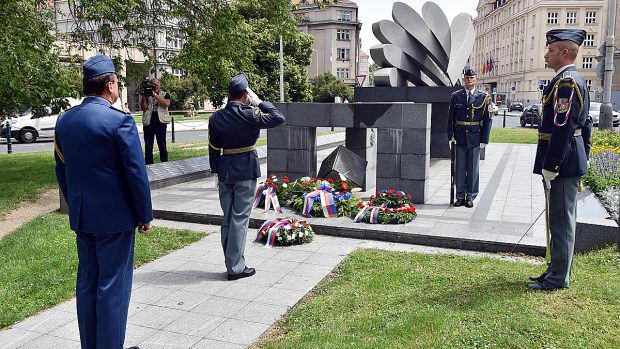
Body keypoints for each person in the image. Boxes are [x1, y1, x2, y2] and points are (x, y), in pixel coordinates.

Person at [54, 55, 153, 349]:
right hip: (115, 218)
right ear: (110, 85)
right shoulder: (119, 120)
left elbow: (62, 170)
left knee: (88, 284)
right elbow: (136, 173)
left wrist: (75, 205)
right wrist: (144, 214)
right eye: (117, 84)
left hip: (84, 215)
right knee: (113, 288)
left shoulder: (65, 121)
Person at [528, 29, 591, 291]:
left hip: (561, 163)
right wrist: (582, 156)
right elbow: (585, 125)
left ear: (564, 52)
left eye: (551, 50)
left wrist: (552, 164)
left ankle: (557, 277)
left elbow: (563, 128)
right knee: (558, 219)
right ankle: (555, 270)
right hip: (567, 160)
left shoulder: (566, 83)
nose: (546, 53)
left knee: (562, 222)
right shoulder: (567, 80)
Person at [208, 72, 285, 280]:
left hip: (225, 170)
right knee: (239, 218)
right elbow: (279, 117)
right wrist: (260, 102)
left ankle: (231, 261)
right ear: (245, 94)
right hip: (245, 170)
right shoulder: (250, 114)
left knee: (228, 218)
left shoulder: (216, 117)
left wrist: (215, 170)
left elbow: (213, 148)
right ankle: (235, 267)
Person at [446, 68, 493, 208]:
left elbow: (488, 119)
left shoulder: (484, 97)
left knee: (473, 169)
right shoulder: (456, 96)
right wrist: (450, 136)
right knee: (460, 168)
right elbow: (451, 118)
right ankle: (460, 196)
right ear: (464, 79)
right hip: (460, 136)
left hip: (475, 137)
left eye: (472, 77)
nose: (469, 80)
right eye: (467, 77)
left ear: (476, 79)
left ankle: (470, 196)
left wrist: (485, 139)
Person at [140, 77, 171, 164]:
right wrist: (143, 96)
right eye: (154, 85)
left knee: (162, 145)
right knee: (148, 146)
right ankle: (149, 165)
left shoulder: (165, 94)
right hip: (149, 121)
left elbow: (166, 104)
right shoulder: (147, 94)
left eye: (157, 85)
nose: (156, 87)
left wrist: (155, 95)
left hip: (160, 122)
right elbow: (143, 108)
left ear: (160, 85)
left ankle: (165, 163)